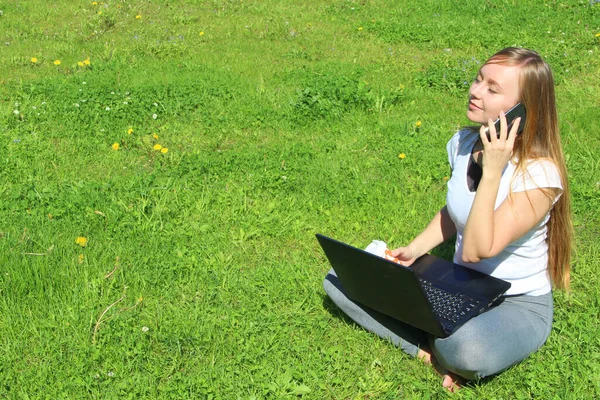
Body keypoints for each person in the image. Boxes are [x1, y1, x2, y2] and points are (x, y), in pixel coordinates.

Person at [323, 47, 573, 392]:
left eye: (492, 88)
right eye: (478, 79)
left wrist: (493, 171)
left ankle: (439, 342)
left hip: (516, 303)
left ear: (523, 110)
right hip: (457, 285)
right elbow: (457, 211)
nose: (475, 91)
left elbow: (476, 250)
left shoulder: (539, 175)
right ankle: (425, 349)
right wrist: (415, 249)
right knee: (339, 280)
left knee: (465, 350)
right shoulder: (463, 142)